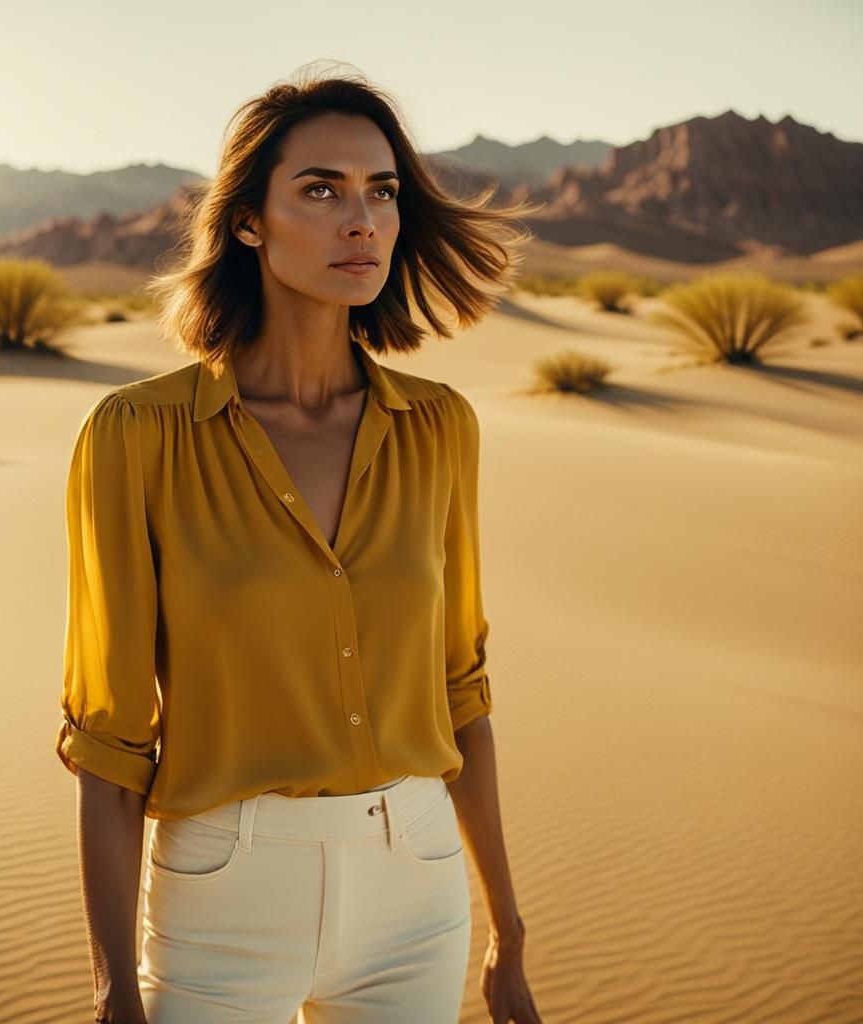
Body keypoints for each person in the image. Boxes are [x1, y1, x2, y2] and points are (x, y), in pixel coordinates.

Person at [56, 62, 544, 1024]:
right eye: (321, 190)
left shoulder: (439, 427)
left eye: (381, 191)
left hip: (417, 887)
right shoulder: (139, 435)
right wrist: (113, 994)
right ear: (249, 221)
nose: (361, 221)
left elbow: (463, 694)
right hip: (222, 898)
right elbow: (109, 745)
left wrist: (509, 933)